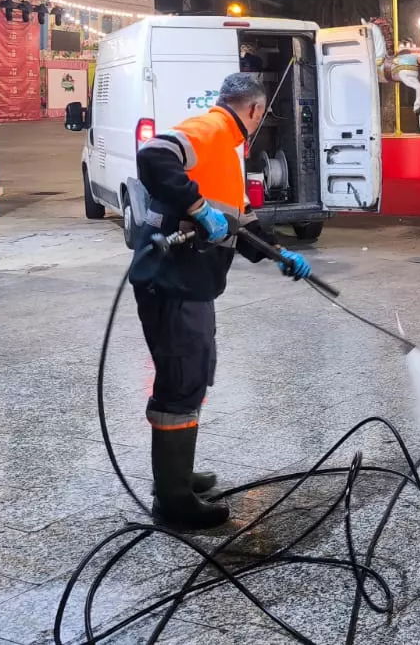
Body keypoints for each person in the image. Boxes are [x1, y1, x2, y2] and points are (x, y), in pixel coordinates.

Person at [130, 72, 312, 529]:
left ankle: (177, 475)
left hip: (190, 285)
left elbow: (239, 223)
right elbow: (153, 155)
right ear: (254, 110)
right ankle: (172, 500)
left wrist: (279, 254)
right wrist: (196, 208)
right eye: (262, 114)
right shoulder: (211, 130)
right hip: (171, 284)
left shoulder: (227, 150)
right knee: (181, 381)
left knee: (190, 378)